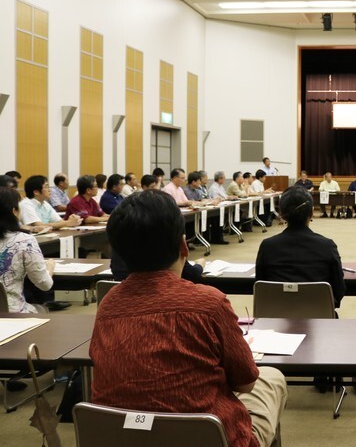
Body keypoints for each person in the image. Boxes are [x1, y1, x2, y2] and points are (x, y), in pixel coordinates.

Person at [90, 190, 287, 447]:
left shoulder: (108, 305)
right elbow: (246, 382)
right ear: (183, 246)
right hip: (207, 438)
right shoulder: (208, 303)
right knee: (271, 378)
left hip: (126, 438)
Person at [255, 186, 345, 307]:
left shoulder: (268, 246)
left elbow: (260, 287)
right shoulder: (327, 246)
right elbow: (339, 290)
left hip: (276, 320)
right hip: (319, 321)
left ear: (282, 213)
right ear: (312, 212)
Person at [0, 187, 55, 313]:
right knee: (41, 309)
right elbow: (44, 284)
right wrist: (50, 267)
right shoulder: (24, 240)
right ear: (14, 211)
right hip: (12, 313)